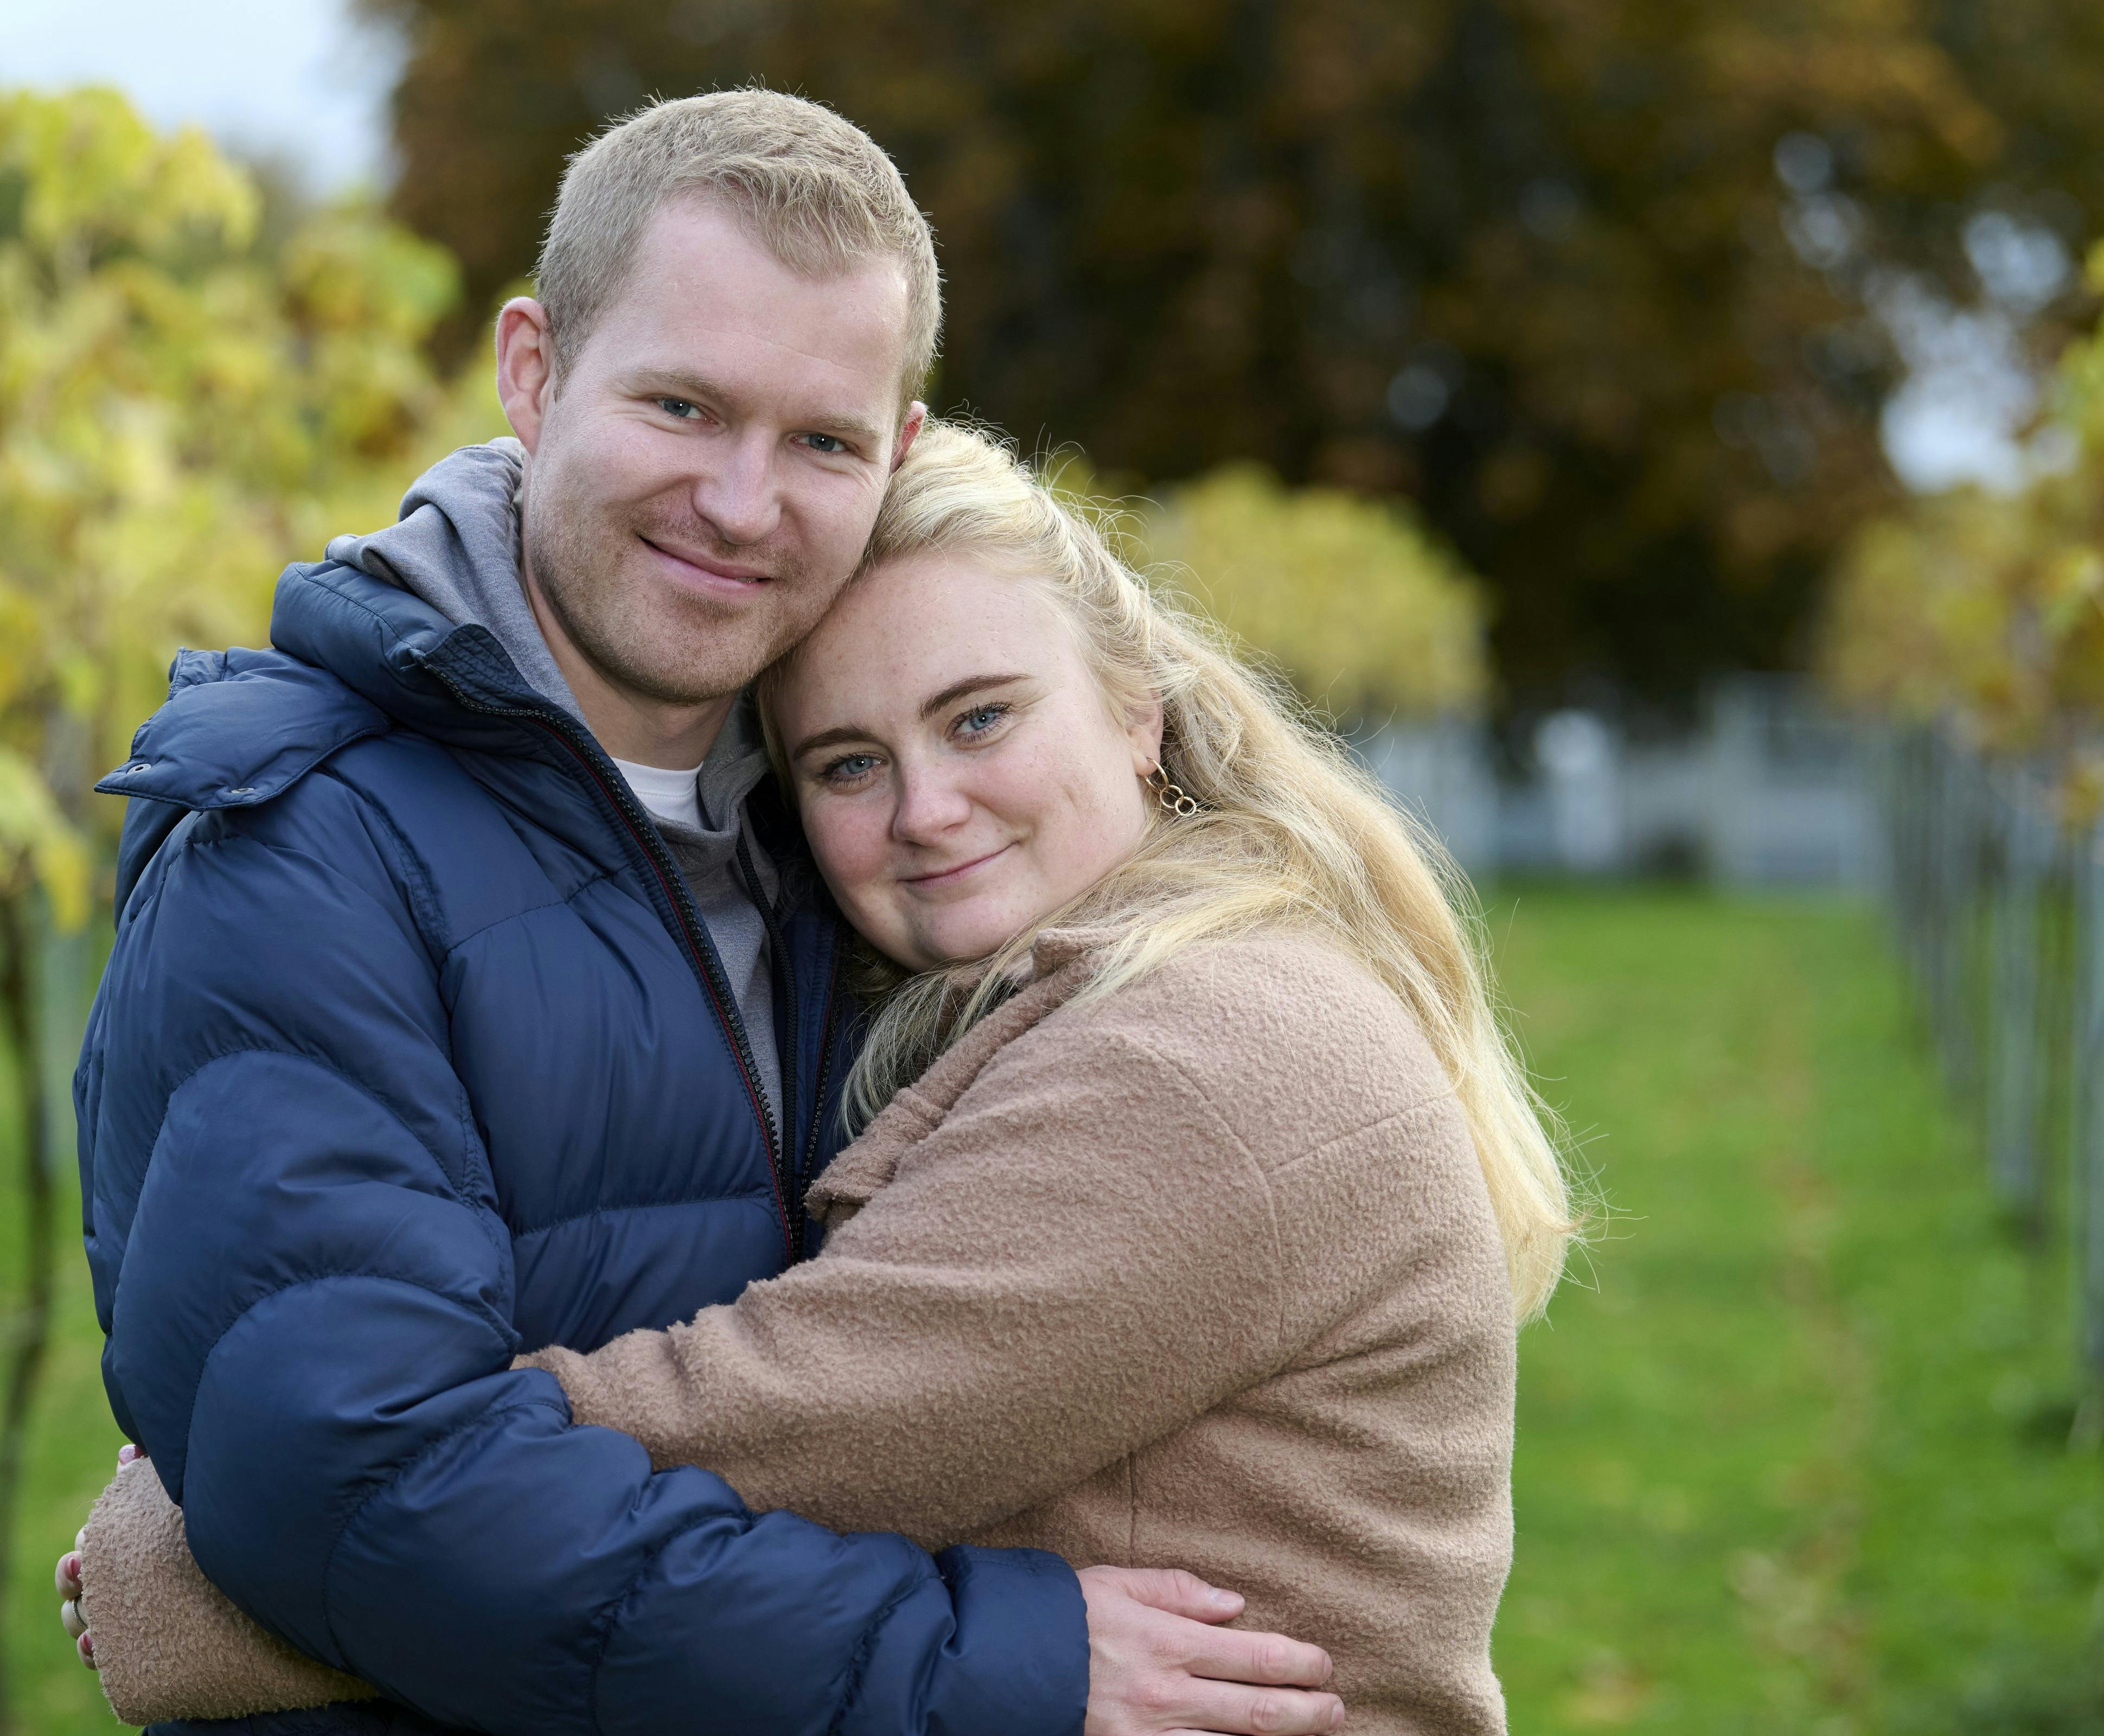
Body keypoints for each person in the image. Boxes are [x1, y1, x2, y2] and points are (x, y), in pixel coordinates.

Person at [71, 90, 1348, 1736]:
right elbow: (358, 1487)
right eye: (683, 407)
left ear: (896, 453)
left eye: (822, 442)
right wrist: (965, 1668)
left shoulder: (857, 840)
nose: (743, 505)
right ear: (533, 374)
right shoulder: (305, 852)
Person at [63, 422, 1578, 1734]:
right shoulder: (1110, 989)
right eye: (849, 764)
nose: (927, 808)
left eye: (980, 718)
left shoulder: (1210, 1057)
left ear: (1138, 710)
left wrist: (218, 1546)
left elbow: (771, 1439)